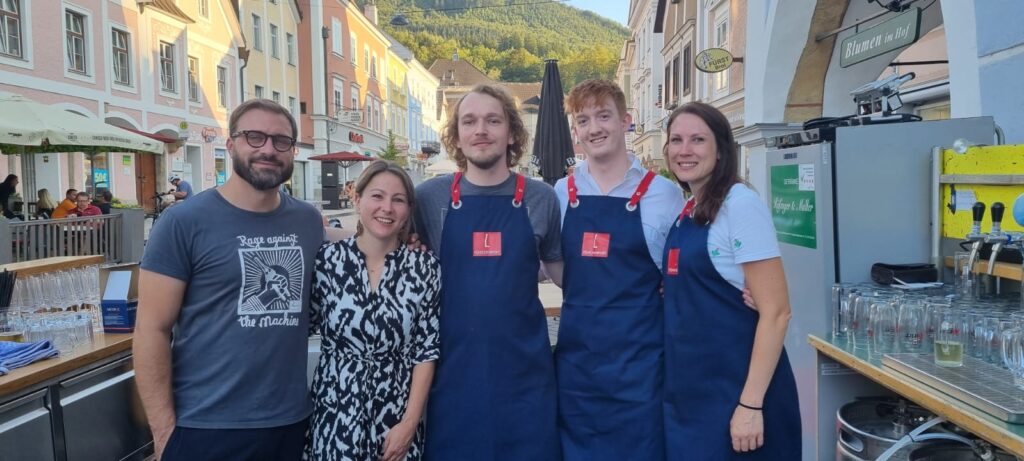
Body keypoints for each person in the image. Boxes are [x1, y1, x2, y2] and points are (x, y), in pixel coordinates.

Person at [134, 99, 322, 461]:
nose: (268, 149)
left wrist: (406, 233)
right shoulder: (183, 222)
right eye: (255, 137)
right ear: (231, 144)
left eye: (281, 141)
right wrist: (164, 432)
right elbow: (150, 331)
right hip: (205, 427)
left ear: (292, 152)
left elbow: (359, 243)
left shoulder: (307, 221)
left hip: (290, 423)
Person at [417, 84, 563, 460]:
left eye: (492, 120)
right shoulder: (430, 197)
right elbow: (380, 239)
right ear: (457, 136)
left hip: (525, 374)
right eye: (469, 121)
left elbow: (565, 274)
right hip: (451, 373)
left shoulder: (540, 197)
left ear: (511, 132)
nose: (480, 130)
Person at [553, 79, 684, 461]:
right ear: (575, 131)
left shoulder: (665, 194)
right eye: (583, 120)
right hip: (578, 366)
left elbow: (686, 266)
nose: (594, 128)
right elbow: (546, 265)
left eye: (604, 116)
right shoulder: (560, 193)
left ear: (626, 120)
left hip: (641, 366)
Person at [661, 102, 801, 458]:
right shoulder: (689, 207)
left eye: (697, 140)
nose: (684, 150)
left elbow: (777, 312)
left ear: (722, 150)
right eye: (676, 140)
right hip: (691, 392)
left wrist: (751, 406)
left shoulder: (739, 204)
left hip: (736, 393)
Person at [305, 160, 440, 461]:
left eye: (398, 200)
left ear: (408, 209)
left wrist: (409, 423)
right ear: (357, 199)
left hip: (395, 417)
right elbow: (302, 327)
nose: (387, 208)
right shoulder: (327, 262)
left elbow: (426, 351)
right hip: (335, 413)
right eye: (377, 196)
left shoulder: (424, 268)